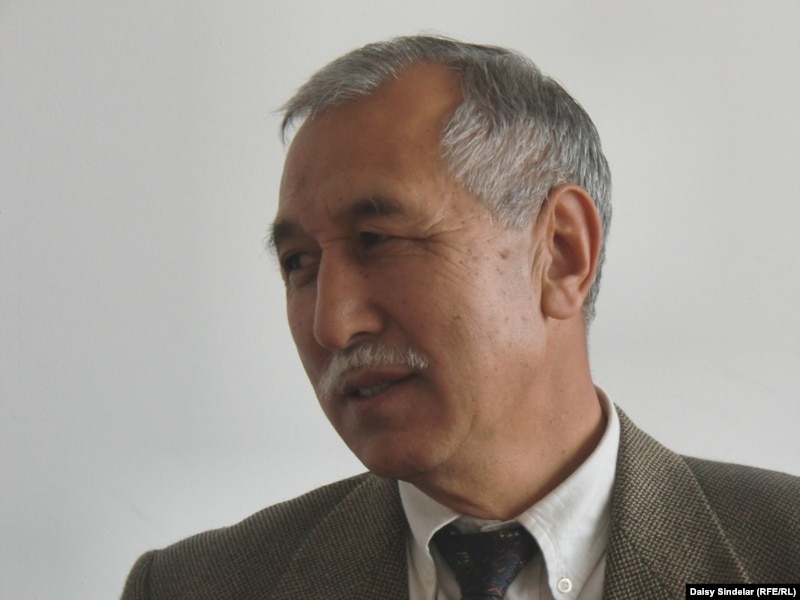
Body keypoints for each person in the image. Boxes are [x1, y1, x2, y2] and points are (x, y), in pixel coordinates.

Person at [122, 35, 800, 599]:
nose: (332, 325)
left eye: (377, 241)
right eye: (299, 263)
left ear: (561, 254)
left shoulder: (781, 554)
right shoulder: (195, 588)